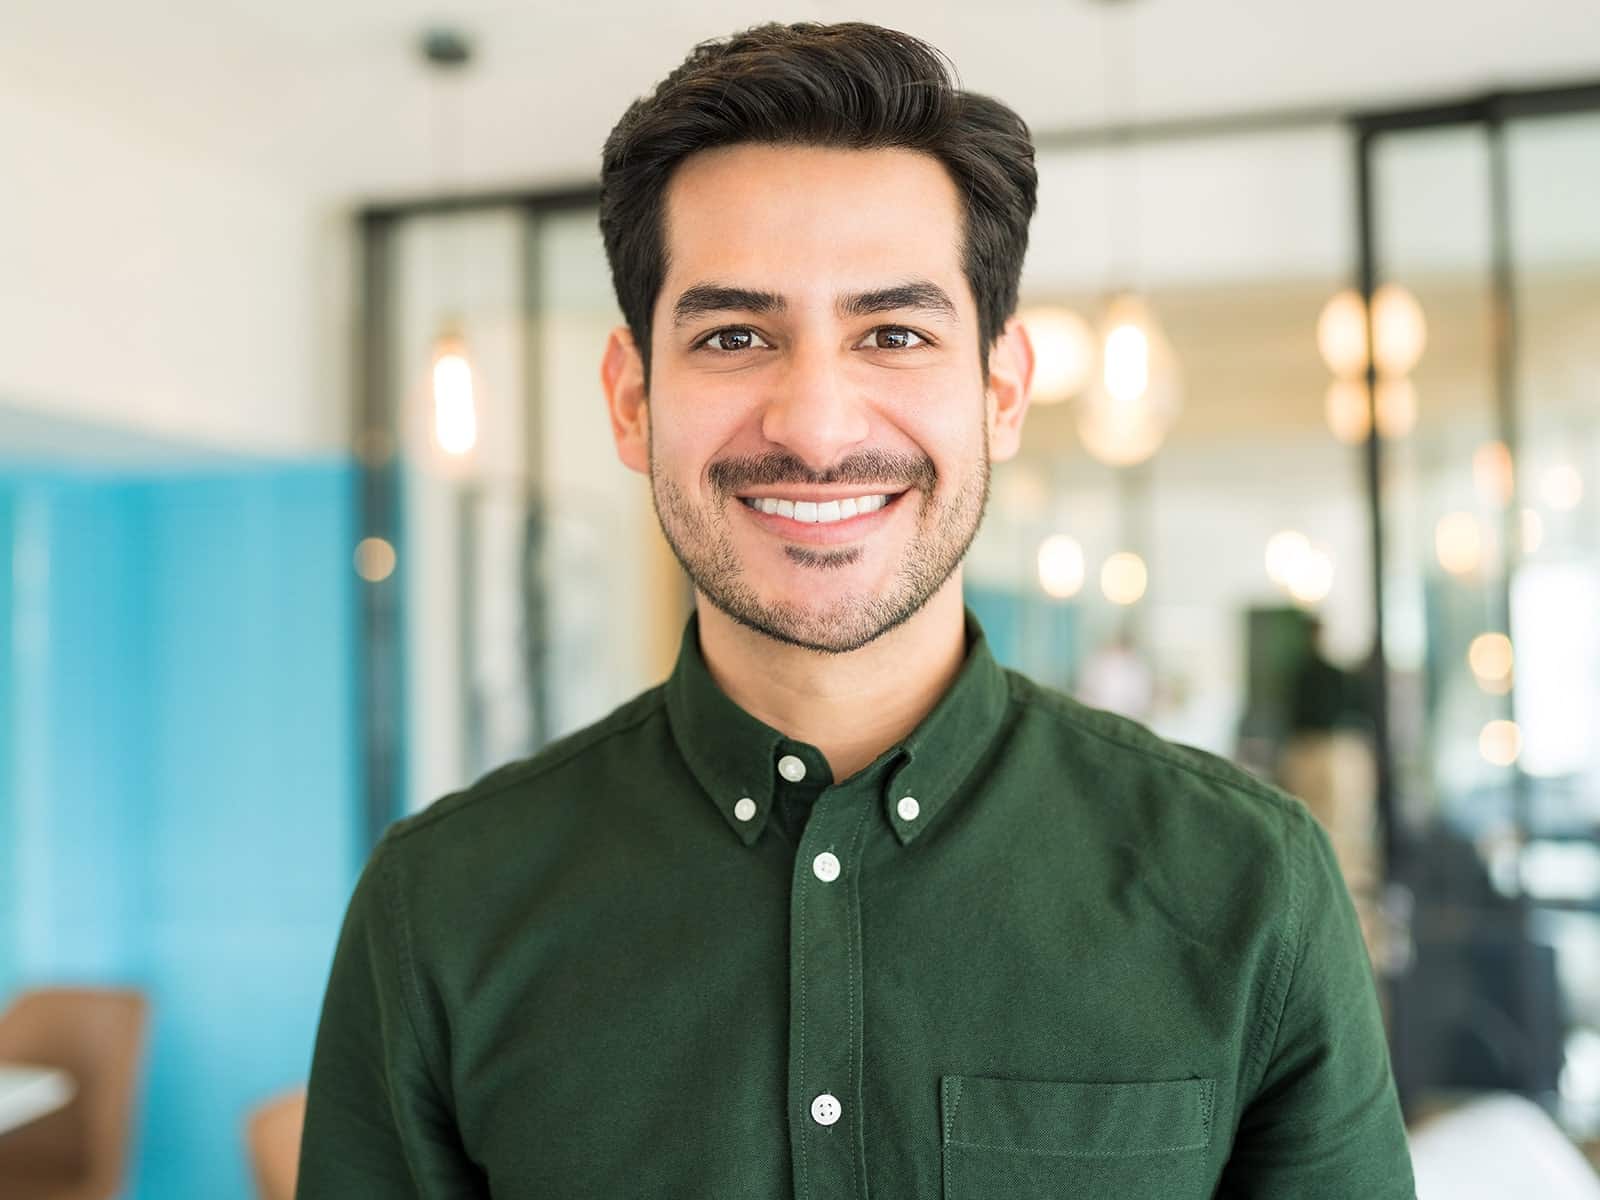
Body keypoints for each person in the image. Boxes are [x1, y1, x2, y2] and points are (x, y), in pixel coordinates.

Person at [296, 22, 1415, 1198]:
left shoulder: (1247, 881)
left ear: (998, 390)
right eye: (735, 335)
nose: (817, 427)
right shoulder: (441, 905)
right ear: (632, 402)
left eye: (893, 333)